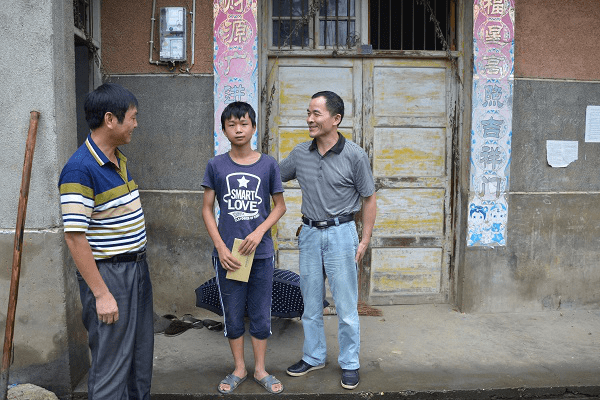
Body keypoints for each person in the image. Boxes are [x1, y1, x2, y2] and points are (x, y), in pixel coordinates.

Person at [59, 83, 153, 399]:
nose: (136, 124)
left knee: (139, 359)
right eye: (133, 117)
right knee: (111, 367)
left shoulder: (117, 159)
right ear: (110, 119)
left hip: (136, 271)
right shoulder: (80, 169)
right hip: (110, 277)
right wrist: (101, 294)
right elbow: (74, 237)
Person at [280, 91, 376, 390]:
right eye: (308, 112)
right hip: (309, 233)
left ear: (335, 119)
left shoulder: (355, 155)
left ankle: (349, 362)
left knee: (346, 307)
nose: (309, 119)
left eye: (316, 113)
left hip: (341, 234)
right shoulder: (299, 154)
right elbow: (271, 176)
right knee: (310, 303)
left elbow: (369, 199)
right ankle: (314, 356)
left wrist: (364, 240)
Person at [202, 101, 287, 394]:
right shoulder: (216, 165)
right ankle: (239, 367)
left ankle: (261, 369)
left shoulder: (268, 164)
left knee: (261, 313)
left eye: (244, 124)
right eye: (232, 125)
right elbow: (206, 209)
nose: (239, 130)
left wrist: (260, 231)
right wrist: (221, 248)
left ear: (253, 127)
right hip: (230, 256)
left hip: (260, 253)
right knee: (234, 313)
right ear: (224, 129)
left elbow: (280, 206)